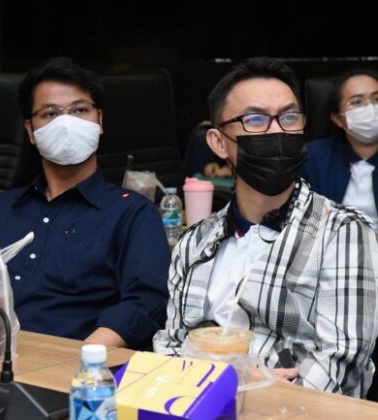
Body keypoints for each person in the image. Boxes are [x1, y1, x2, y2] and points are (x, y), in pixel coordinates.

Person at [153, 57, 378, 398]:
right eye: (255, 119)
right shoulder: (193, 244)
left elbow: (340, 366)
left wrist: (246, 392)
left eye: (289, 117)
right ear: (218, 142)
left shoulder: (343, 232)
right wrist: (233, 381)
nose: (276, 131)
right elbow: (170, 346)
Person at [0, 57, 170, 349]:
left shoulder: (132, 213)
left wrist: (84, 358)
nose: (66, 123)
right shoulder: (0, 208)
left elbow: (146, 301)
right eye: (50, 113)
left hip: (78, 363)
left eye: (80, 110)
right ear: (31, 131)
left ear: (100, 121)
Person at [302, 68, 378, 232]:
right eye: (357, 102)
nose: (371, 107)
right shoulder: (312, 158)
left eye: (376, 99)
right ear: (337, 118)